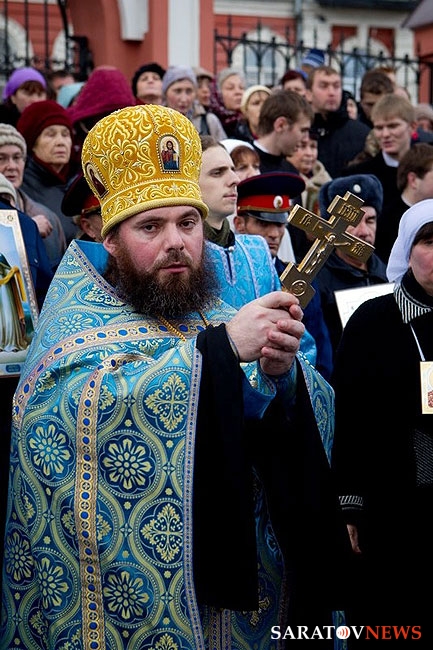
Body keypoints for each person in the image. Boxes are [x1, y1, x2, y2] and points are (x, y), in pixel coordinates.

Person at [1, 103, 351, 649]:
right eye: (150, 226)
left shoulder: (212, 307)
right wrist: (221, 351)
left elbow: (286, 407)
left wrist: (280, 378)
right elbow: (62, 412)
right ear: (110, 239)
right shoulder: (76, 317)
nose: (176, 242)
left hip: (246, 607)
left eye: (188, 223)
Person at [331, 198, 433, 647]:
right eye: (429, 242)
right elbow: (351, 418)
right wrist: (350, 505)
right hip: (393, 505)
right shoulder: (373, 321)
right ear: (407, 250)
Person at [234, 171, 334, 380]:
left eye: (279, 224)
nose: (274, 234)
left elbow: (320, 349)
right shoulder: (228, 277)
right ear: (239, 224)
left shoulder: (301, 277)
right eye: (263, 224)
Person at [315, 174, 388, 361]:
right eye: (352, 222)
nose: (363, 232)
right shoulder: (317, 281)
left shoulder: (390, 275)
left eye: (370, 221)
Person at [344, 93, 418, 264]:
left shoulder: (427, 171)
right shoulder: (358, 175)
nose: (385, 134)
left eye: (393, 126)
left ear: (412, 127)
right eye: (379, 127)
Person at [0, 122, 67, 270]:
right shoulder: (36, 222)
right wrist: (29, 229)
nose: (12, 166)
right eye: (1, 158)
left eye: (17, 158)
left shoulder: (48, 217)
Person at [16, 99, 81, 245]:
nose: (60, 142)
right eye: (50, 135)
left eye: (65, 134)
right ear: (33, 143)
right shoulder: (22, 186)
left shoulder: (78, 181)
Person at [306, 65, 370, 178]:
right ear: (309, 94)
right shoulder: (301, 132)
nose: (331, 92)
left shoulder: (361, 133)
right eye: (323, 86)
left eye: (336, 86)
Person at [162, 65, 227, 139]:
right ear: (165, 93)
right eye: (178, 91)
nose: (184, 99)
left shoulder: (209, 122)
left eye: (189, 91)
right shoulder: (155, 121)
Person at [209, 67, 246, 137]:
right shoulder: (208, 122)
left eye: (241, 87)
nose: (238, 92)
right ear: (217, 93)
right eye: (230, 88)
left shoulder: (251, 121)